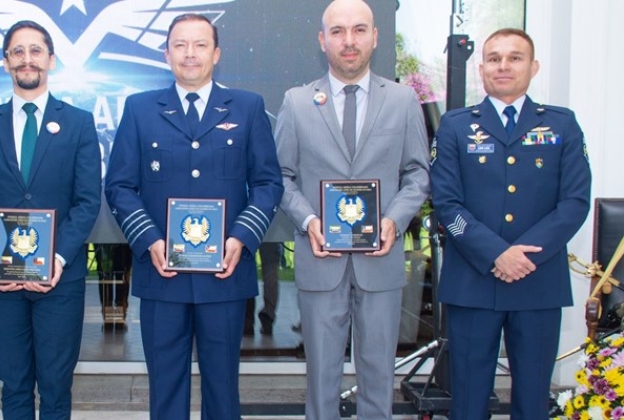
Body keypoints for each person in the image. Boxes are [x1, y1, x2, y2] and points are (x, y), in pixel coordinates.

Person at [104, 13, 283, 420]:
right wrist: (150, 240)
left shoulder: (248, 107)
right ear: (166, 54)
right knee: (165, 392)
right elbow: (119, 186)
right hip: (161, 277)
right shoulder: (140, 109)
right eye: (180, 45)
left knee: (223, 392)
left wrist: (242, 237)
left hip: (224, 275)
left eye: (200, 44)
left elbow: (269, 183)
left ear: (216, 53)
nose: (190, 54)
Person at [273, 0, 430, 418]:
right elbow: (280, 177)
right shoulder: (297, 102)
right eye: (338, 31)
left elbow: (418, 174)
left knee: (379, 373)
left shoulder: (402, 100)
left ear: (375, 37)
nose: (349, 41)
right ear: (323, 40)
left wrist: (394, 220)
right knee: (320, 375)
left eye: (359, 30)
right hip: (321, 258)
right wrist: (310, 221)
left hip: (380, 260)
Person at [430, 28, 591, 419]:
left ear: (533, 67)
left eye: (515, 57)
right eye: (494, 58)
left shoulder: (561, 124)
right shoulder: (454, 126)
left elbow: (574, 202)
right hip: (473, 282)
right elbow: (446, 204)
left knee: (534, 400)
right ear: (482, 68)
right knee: (467, 400)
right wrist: (497, 254)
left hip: (537, 282)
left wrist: (522, 256)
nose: (503, 66)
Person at [0, 20, 101, 420]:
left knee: (55, 386)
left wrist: (58, 258)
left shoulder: (79, 123)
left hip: (59, 279)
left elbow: (87, 201)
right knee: (14, 384)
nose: (27, 59)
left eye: (36, 51)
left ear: (50, 60)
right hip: (0, 283)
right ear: (6, 62)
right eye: (17, 52)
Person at [245, 243, 281, 335]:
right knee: (271, 272)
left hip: (248, 230)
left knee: (246, 270)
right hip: (271, 231)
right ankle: (268, 316)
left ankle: (247, 322)